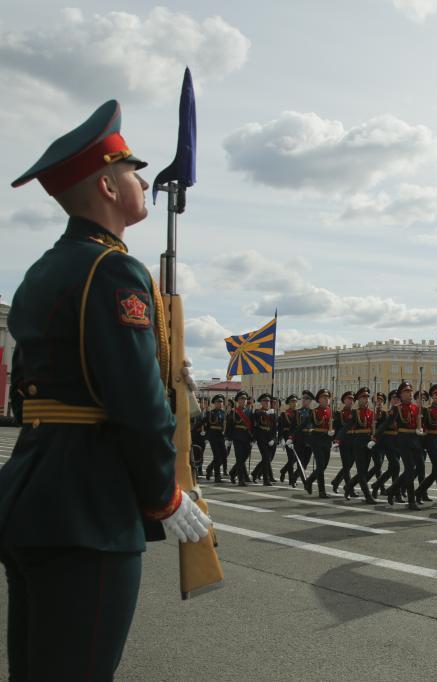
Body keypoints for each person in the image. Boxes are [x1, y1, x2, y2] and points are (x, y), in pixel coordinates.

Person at [1, 99, 209, 679]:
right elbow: (137, 406)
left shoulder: (44, 269)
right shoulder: (113, 270)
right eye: (131, 170)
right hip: (88, 509)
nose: (143, 180)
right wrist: (164, 494)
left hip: (35, 493)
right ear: (107, 186)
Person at [380, 381, 424, 511]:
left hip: (415, 441)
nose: (409, 394)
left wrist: (421, 430)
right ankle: (411, 501)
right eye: (406, 392)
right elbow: (386, 424)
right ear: (401, 394)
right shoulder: (397, 408)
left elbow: (419, 424)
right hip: (403, 441)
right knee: (409, 469)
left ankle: (392, 490)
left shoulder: (416, 408)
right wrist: (375, 437)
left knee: (419, 467)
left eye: (410, 391)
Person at [342, 387, 378, 503]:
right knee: (361, 472)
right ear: (358, 399)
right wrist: (337, 439)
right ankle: (368, 496)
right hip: (358, 442)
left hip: (368, 443)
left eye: (367, 397)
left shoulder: (372, 413)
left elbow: (374, 429)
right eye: (363, 397)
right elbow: (346, 427)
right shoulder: (355, 412)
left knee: (363, 471)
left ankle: (348, 486)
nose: (366, 399)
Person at [415, 384, 437, 503]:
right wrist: (420, 429)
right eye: (435, 394)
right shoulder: (426, 410)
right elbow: (421, 425)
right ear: (432, 396)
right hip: (431, 441)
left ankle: (419, 492)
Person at [304, 389, 334, 498]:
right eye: (324, 397)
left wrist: (333, 434)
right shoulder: (313, 411)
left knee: (324, 466)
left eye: (328, 397)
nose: (327, 399)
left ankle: (309, 481)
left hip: (327, 441)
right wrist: (311, 429)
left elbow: (333, 425)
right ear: (319, 399)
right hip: (316, 440)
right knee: (320, 465)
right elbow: (308, 424)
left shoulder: (331, 411)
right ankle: (321, 491)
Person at [331, 391, 357, 495]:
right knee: (346, 466)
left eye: (351, 399)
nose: (350, 401)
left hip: (354, 441)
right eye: (348, 399)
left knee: (349, 465)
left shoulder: (356, 413)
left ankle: (336, 481)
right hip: (344, 442)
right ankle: (350, 489)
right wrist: (335, 440)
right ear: (344, 401)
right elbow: (336, 428)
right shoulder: (339, 414)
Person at [227, 391, 254, 486]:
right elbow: (229, 426)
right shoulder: (234, 412)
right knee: (239, 458)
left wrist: (253, 439)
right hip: (237, 437)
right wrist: (228, 439)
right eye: (241, 399)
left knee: (244, 458)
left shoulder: (250, 412)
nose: (243, 400)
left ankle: (232, 473)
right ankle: (241, 479)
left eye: (245, 399)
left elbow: (253, 426)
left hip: (247, 438)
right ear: (238, 400)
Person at [250, 393, 277, 485]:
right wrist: (265, 412)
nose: (266, 402)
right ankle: (266, 479)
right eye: (264, 401)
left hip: (271, 438)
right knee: (265, 457)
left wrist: (273, 438)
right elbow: (256, 416)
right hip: (261, 437)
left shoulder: (273, 413)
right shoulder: (258, 411)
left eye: (268, 401)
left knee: (269, 458)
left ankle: (255, 473)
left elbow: (274, 427)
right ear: (261, 402)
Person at [205, 394, 229, 482]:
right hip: (213, 436)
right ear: (214, 403)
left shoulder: (224, 413)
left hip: (221, 436)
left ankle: (209, 468)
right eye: (218, 402)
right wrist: (206, 436)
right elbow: (206, 425)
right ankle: (217, 476)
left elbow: (226, 426)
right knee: (217, 456)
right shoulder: (210, 413)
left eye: (221, 402)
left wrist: (227, 436)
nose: (220, 403)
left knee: (224, 456)